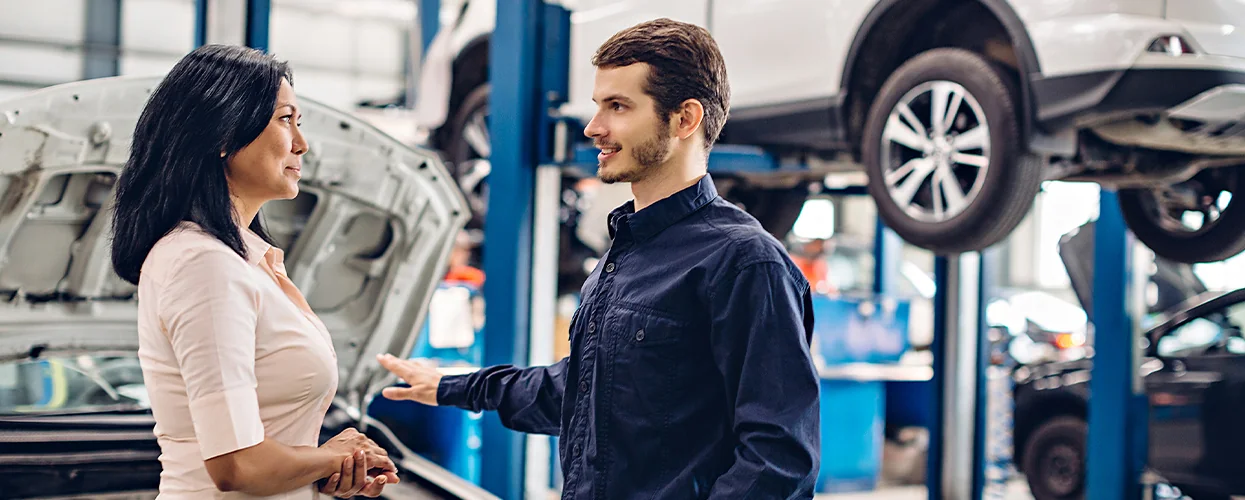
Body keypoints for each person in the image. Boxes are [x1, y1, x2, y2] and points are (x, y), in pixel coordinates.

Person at [378, 18, 821, 499]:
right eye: (598, 106)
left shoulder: (745, 262)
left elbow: (778, 460)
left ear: (685, 119)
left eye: (618, 106)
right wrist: (457, 386)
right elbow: (581, 392)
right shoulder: (625, 252)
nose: (593, 127)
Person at [110, 44, 398, 499]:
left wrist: (322, 470)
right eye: (286, 119)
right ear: (223, 134)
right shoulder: (202, 264)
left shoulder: (240, 260)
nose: (302, 144)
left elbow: (260, 451)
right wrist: (337, 454)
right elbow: (237, 466)